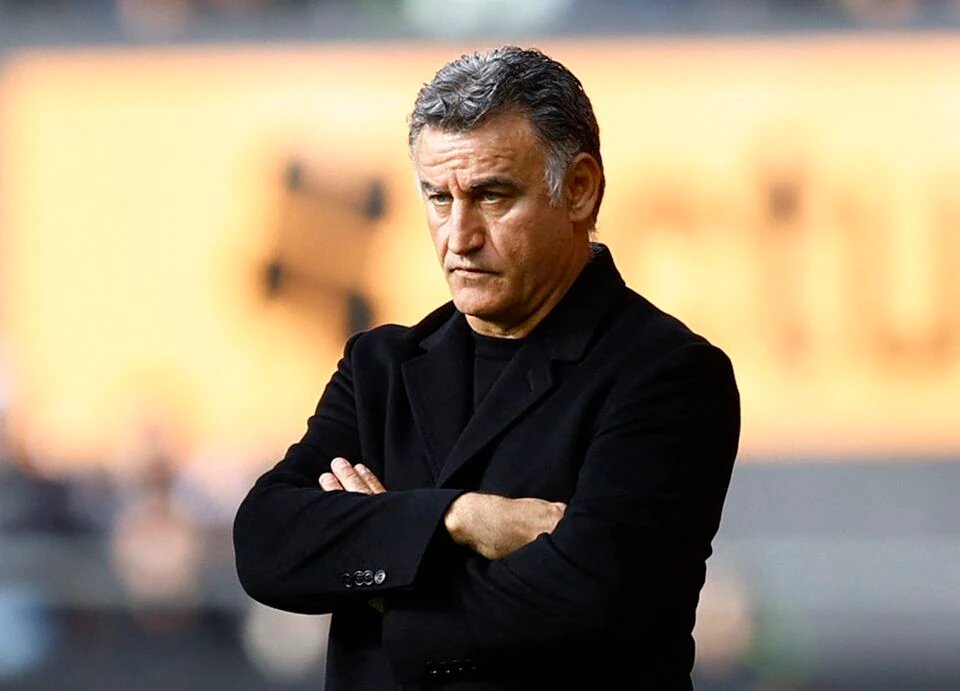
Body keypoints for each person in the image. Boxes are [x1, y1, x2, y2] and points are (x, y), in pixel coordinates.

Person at [233, 45, 741, 690]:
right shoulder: (380, 367)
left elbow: (585, 604)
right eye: (438, 197)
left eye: (492, 196)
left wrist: (384, 569)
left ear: (580, 189)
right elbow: (267, 544)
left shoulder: (668, 375)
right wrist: (460, 518)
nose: (459, 235)